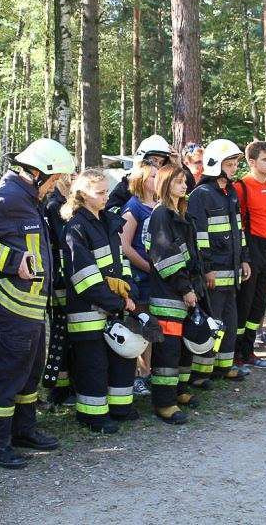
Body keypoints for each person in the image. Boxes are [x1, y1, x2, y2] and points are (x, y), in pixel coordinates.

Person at [0, 138, 74, 469]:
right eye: (54, 179)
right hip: (15, 304)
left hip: (34, 304)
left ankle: (24, 429)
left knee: (31, 370)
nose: (56, 187)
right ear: (38, 174)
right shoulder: (7, 198)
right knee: (10, 372)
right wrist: (11, 260)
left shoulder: (29, 199)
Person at [61, 169, 140, 433]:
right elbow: (84, 279)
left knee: (121, 359)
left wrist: (129, 292)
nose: (106, 196)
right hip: (88, 314)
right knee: (93, 366)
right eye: (100, 192)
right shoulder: (76, 228)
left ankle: (120, 408)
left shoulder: (108, 221)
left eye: (107, 191)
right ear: (83, 195)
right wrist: (117, 303)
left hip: (114, 307)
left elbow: (121, 262)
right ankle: (92, 416)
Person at [186, 139, 251, 384]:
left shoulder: (230, 192)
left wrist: (244, 259)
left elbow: (238, 230)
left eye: (235, 163)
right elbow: (199, 238)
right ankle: (201, 373)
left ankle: (224, 366)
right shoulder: (201, 195)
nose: (235, 168)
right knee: (212, 323)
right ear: (215, 165)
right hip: (214, 273)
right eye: (230, 164)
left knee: (230, 322)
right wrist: (207, 270)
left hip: (232, 271)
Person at [146, 165, 203, 423]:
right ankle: (164, 403)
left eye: (184, 181)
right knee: (167, 352)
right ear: (165, 184)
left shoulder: (180, 214)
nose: (183, 186)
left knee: (182, 349)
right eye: (178, 182)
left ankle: (179, 391)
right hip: (168, 294)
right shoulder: (161, 215)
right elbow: (165, 257)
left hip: (185, 291)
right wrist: (185, 287)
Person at [234, 141, 266, 370]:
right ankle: (236, 354)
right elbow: (237, 224)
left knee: (259, 305)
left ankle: (249, 352)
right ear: (252, 162)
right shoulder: (242, 186)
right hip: (249, 248)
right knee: (245, 303)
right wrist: (244, 257)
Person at [119, 161, 158, 397]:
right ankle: (137, 376)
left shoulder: (160, 206)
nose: (157, 179)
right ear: (141, 181)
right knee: (139, 326)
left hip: (158, 279)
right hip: (140, 278)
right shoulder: (133, 207)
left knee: (152, 327)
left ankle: (148, 372)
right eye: (153, 176)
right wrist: (147, 267)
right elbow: (125, 246)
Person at [43, 174, 76, 406]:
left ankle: (68, 383)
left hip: (72, 277)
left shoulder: (68, 203)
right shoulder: (55, 206)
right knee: (60, 333)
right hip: (60, 280)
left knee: (69, 332)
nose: (73, 177)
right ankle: (59, 388)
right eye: (70, 174)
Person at [105, 134, 171, 213]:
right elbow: (109, 213)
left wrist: (177, 165)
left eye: (161, 162)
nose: (158, 166)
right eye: (154, 160)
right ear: (142, 160)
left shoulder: (162, 186)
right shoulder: (126, 186)